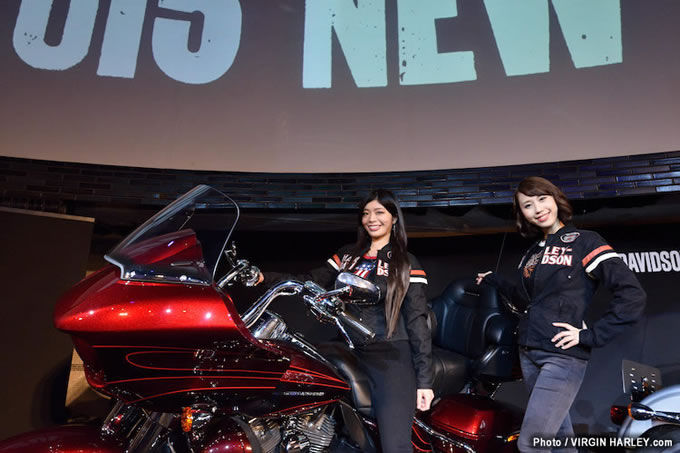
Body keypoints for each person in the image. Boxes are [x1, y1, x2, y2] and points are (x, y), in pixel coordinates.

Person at [476, 176, 645, 453]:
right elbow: (528, 300)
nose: (537, 209)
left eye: (542, 199)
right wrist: (494, 279)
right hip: (529, 353)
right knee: (559, 442)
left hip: (561, 357)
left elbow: (632, 294)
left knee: (532, 444)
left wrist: (590, 336)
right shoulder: (532, 253)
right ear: (522, 214)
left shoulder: (585, 241)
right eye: (528, 205)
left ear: (555, 199)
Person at [258, 189, 434, 453]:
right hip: (349, 349)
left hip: (389, 355)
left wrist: (425, 381)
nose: (371, 219)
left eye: (379, 212)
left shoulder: (406, 262)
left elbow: (417, 320)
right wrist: (265, 277)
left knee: (394, 445)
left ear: (394, 218)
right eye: (366, 213)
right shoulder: (348, 255)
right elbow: (311, 280)